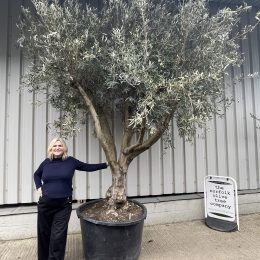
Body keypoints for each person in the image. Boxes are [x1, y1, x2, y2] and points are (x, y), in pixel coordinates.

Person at [34, 137, 108, 260]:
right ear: (51, 148)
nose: (57, 148)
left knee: (58, 237)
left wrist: (106, 164)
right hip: (45, 205)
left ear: (64, 148)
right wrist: (38, 187)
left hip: (63, 205)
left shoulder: (70, 161)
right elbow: (36, 174)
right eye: (55, 146)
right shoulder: (46, 163)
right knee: (44, 234)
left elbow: (87, 167)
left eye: (60, 146)